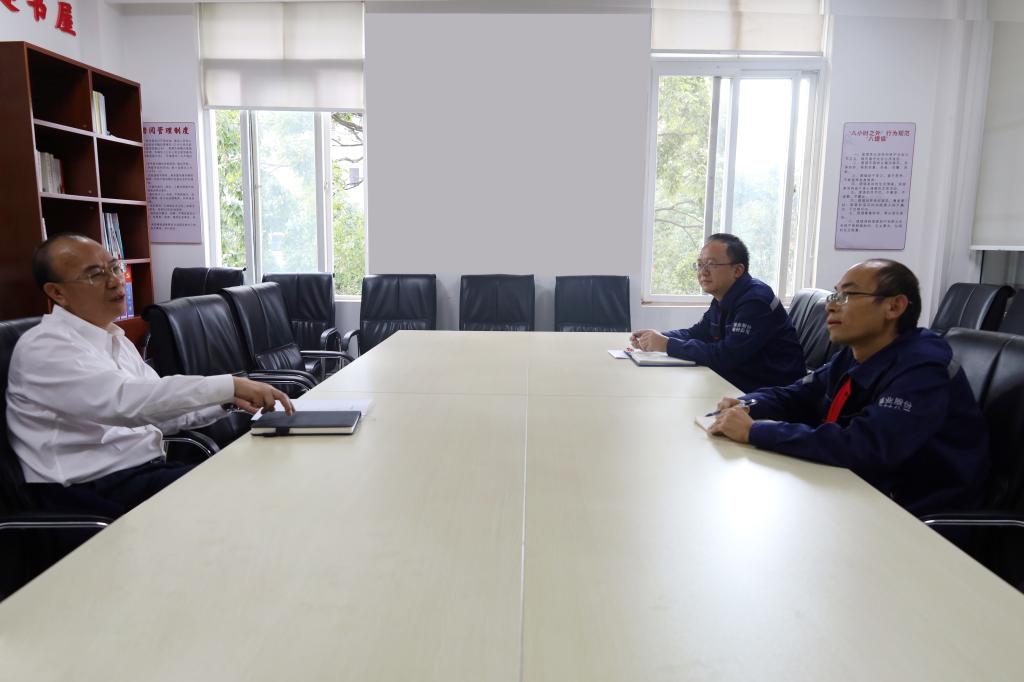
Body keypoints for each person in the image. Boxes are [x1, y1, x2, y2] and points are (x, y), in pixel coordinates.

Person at [6, 233, 294, 518]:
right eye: (95, 274)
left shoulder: (114, 339)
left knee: (263, 477)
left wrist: (227, 400)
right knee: (244, 494)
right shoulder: (45, 347)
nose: (115, 280)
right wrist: (229, 385)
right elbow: (126, 404)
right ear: (57, 293)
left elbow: (159, 414)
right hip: (87, 491)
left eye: (114, 267)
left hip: (139, 475)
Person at [709, 259, 990, 516]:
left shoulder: (923, 369)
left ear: (894, 307)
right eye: (834, 295)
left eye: (848, 295)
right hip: (856, 490)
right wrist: (749, 404)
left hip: (914, 516)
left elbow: (864, 447)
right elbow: (799, 394)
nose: (830, 306)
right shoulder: (857, 353)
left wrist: (755, 431)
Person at [630, 233, 806, 392]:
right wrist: (656, 337)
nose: (703, 271)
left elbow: (726, 356)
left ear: (737, 270)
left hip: (774, 393)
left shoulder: (755, 301)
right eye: (700, 264)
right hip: (740, 382)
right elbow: (697, 333)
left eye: (711, 264)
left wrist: (667, 345)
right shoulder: (723, 296)